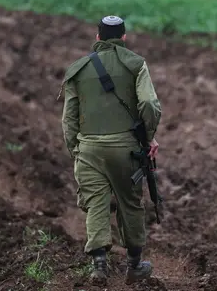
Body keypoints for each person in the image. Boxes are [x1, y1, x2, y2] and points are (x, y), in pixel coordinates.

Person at [59, 15, 162, 286]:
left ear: (98, 37)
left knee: (96, 203)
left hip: (89, 148)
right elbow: (150, 104)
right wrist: (148, 138)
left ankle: (99, 265)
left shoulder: (77, 69)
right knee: (130, 203)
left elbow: (68, 119)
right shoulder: (136, 64)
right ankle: (135, 264)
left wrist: (77, 151)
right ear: (124, 37)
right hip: (126, 149)